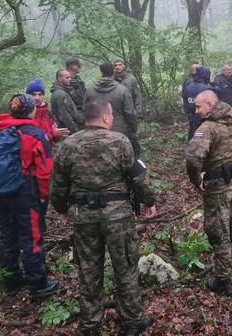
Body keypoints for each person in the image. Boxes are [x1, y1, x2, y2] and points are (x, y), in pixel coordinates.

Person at [50, 99, 157, 336]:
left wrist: (63, 210)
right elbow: (138, 178)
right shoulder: (120, 141)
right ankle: (133, 322)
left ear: (85, 118)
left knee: (88, 271)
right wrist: (149, 201)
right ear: (107, 118)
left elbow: (57, 186)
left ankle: (90, 326)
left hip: (84, 218)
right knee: (126, 267)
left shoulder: (68, 145)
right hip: (118, 217)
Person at [0, 94, 59, 297]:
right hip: (25, 191)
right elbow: (45, 170)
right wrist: (44, 196)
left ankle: (11, 280)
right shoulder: (34, 134)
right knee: (32, 237)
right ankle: (38, 284)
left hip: (0, 189)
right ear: (31, 110)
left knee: (7, 236)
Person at [186, 90, 232, 296]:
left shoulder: (207, 128)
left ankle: (224, 280)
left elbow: (193, 159)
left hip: (218, 187)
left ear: (210, 104)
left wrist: (196, 180)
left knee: (218, 232)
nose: (195, 110)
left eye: (198, 106)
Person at [84, 63, 141, 157]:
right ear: (113, 72)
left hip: (95, 132)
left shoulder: (90, 91)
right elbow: (130, 113)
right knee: (121, 157)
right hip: (119, 131)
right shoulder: (123, 90)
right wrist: (134, 129)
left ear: (101, 72)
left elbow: (85, 111)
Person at [26, 79, 70, 143]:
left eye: (40, 94)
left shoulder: (48, 114)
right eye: (33, 94)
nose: (37, 98)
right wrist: (53, 134)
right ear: (27, 96)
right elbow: (30, 139)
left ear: (43, 96)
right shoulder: (23, 114)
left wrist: (58, 135)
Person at [183, 66, 212, 141]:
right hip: (203, 116)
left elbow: (185, 98)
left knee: (193, 132)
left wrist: (188, 111)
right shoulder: (206, 88)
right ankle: (197, 149)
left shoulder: (189, 86)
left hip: (192, 114)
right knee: (200, 134)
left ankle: (191, 147)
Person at [51, 69, 84, 134]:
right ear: (60, 79)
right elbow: (65, 117)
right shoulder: (60, 94)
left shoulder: (65, 91)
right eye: (67, 78)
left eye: (70, 77)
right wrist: (76, 132)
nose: (70, 79)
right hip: (68, 131)